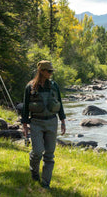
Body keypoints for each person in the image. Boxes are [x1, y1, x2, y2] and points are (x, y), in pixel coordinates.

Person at [21, 60, 66, 189]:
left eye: (52, 71)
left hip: (52, 122)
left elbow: (60, 104)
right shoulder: (30, 87)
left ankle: (45, 184)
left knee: (49, 155)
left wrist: (63, 121)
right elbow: (25, 107)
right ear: (41, 71)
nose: (51, 74)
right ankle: (34, 173)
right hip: (36, 123)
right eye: (49, 71)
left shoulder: (54, 85)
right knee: (37, 151)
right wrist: (25, 125)